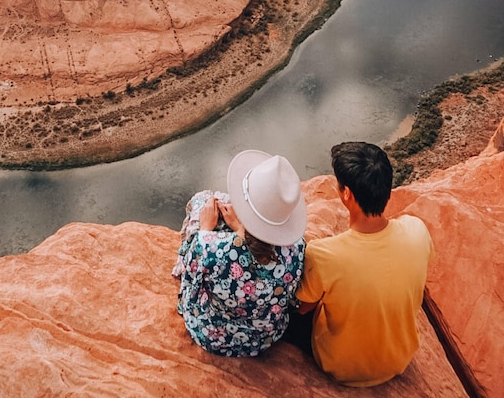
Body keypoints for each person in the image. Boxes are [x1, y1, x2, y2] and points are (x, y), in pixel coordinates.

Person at [294, 141, 435, 387]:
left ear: (346, 193)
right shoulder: (417, 231)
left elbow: (302, 308)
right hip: (398, 360)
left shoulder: (324, 255)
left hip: (342, 368)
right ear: (387, 192)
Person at [173, 150, 307, 357]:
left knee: (204, 201)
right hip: (265, 337)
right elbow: (262, 258)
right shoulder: (297, 249)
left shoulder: (211, 248)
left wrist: (205, 231)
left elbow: (190, 275)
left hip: (213, 335)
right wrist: (239, 229)